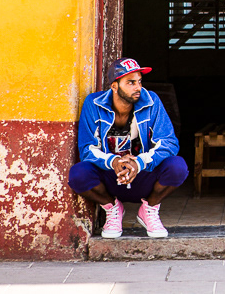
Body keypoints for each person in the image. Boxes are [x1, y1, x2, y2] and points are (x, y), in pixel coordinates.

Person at [68, 58, 188, 238]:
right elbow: (87, 148)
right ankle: (112, 208)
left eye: (139, 81)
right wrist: (114, 161)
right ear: (114, 86)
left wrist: (139, 163)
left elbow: (169, 143)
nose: (138, 87)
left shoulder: (151, 101)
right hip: (111, 176)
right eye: (130, 82)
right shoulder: (94, 104)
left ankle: (150, 208)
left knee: (178, 167)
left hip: (143, 173)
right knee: (78, 174)